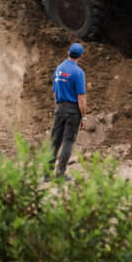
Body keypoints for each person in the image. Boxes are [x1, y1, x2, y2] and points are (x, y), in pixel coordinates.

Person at [50, 43, 87, 180]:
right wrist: (84, 117)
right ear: (81, 56)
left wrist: (59, 106)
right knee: (68, 141)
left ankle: (46, 174)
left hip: (59, 107)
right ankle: (60, 174)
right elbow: (81, 97)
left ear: (68, 52)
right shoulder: (78, 72)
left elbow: (54, 92)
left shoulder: (58, 69)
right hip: (73, 110)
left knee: (54, 141)